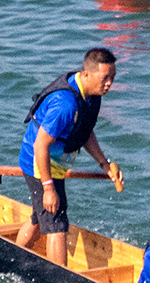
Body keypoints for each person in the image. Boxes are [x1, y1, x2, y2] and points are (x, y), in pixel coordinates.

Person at [20, 47, 120, 268]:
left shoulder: (92, 96)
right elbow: (40, 146)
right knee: (57, 223)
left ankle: (16, 255)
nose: (109, 84)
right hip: (39, 161)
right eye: (105, 78)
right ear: (86, 74)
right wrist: (48, 188)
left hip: (55, 162)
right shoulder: (65, 104)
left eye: (112, 78)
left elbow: (85, 132)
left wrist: (104, 163)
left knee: (40, 217)